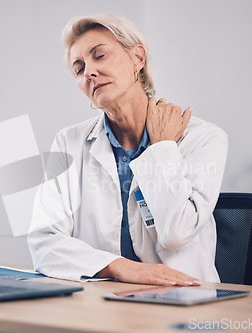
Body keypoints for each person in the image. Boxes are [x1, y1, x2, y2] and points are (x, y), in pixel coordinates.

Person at [28, 13, 227, 286]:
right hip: (101, 302)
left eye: (99, 55)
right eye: (79, 68)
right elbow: (43, 241)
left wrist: (163, 147)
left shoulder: (204, 138)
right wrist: (117, 266)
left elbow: (175, 233)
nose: (89, 72)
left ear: (138, 59)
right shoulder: (68, 142)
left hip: (181, 302)